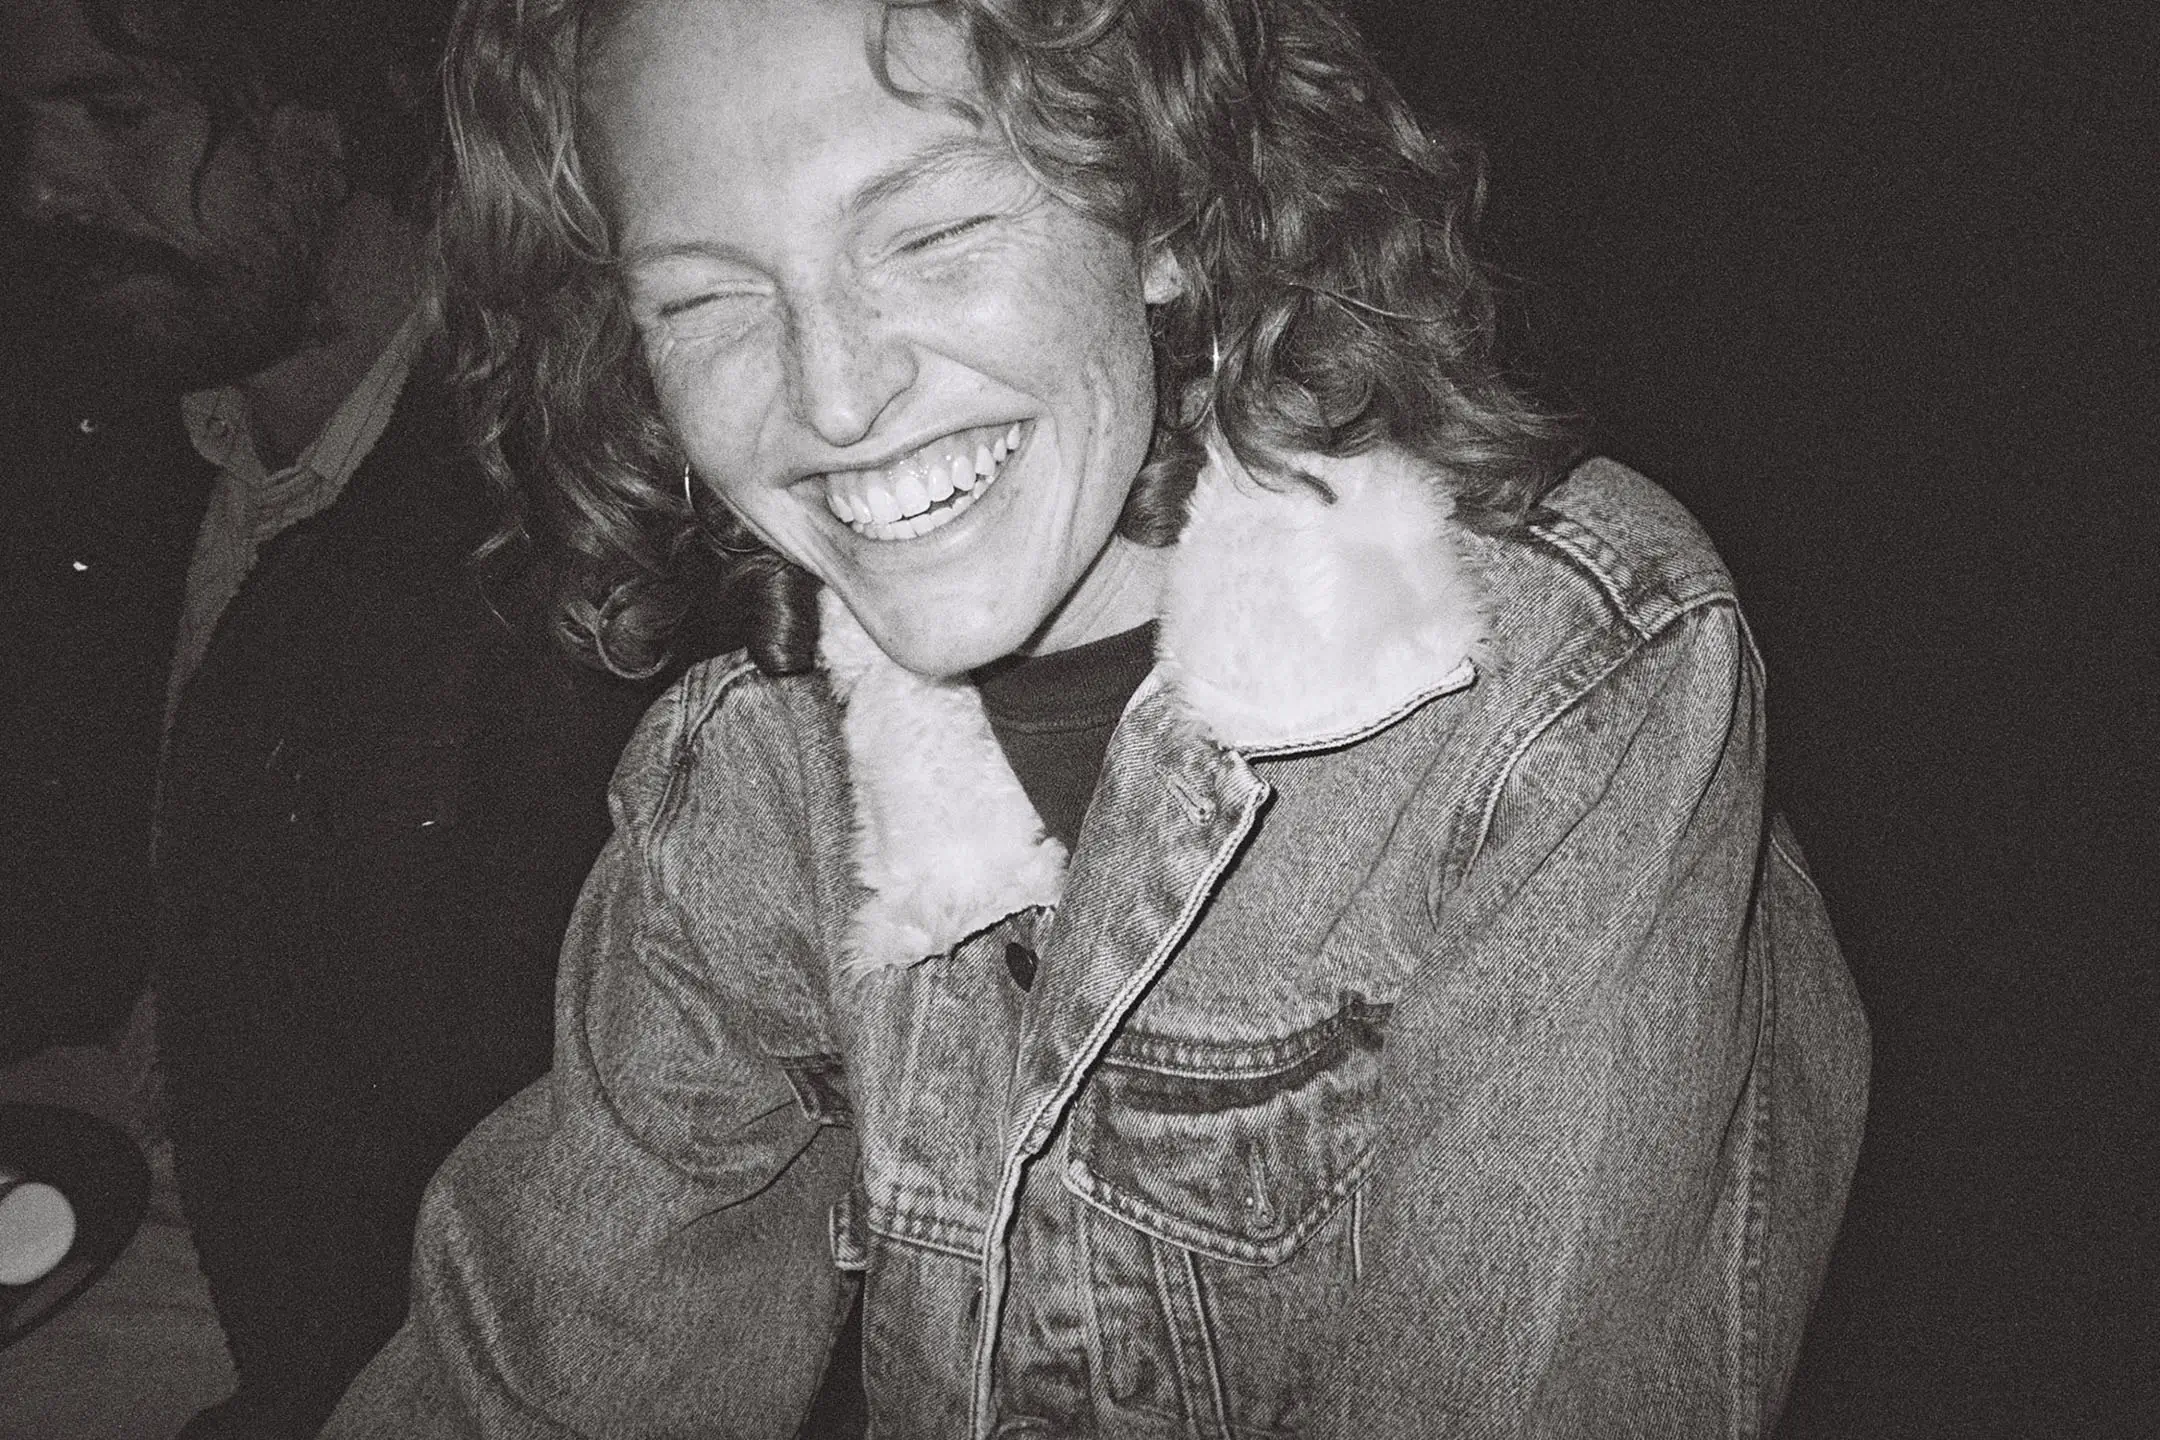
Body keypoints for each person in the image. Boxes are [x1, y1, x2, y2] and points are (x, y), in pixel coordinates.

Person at [328, 0, 1871, 1435]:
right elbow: (529, 1375)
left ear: (1164, 211)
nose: (837, 395)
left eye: (930, 233)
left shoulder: (1550, 693)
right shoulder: (758, 769)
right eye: (712, 299)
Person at [0, 2, 710, 1434]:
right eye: (22, 131)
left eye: (118, 115)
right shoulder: (150, 437)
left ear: (323, 112)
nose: (45, 189)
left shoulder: (552, 532)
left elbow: (557, 1172)